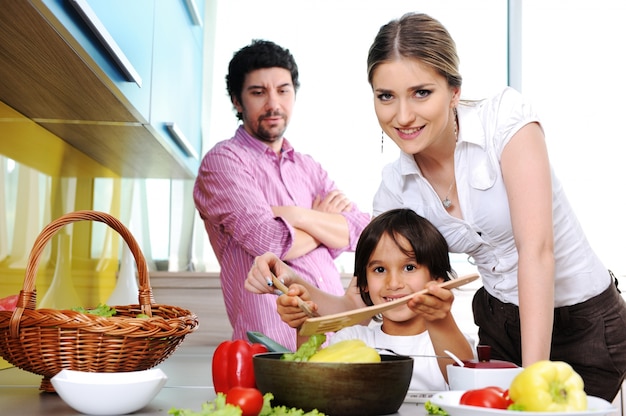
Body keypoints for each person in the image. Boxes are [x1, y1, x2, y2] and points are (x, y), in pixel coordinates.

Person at [247, 13, 626, 401]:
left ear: (454, 90)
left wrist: (533, 379)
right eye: (386, 96)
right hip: (498, 322)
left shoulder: (505, 123)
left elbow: (538, 252)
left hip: (584, 322)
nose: (403, 116)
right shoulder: (395, 189)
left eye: (421, 93)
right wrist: (294, 283)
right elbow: (359, 301)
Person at [193, 39, 370, 351]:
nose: (273, 103)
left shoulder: (307, 167)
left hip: (339, 341)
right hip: (275, 347)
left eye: (283, 90)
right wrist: (325, 227)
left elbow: (361, 232)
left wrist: (294, 214)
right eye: (258, 92)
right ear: (237, 100)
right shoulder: (223, 162)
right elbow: (268, 241)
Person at [305, 208, 475, 390]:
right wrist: (303, 325)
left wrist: (441, 320)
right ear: (364, 283)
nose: (393, 284)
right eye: (379, 270)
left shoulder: (452, 340)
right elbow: (316, 386)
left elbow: (468, 385)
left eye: (409, 267)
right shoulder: (351, 339)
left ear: (436, 278)